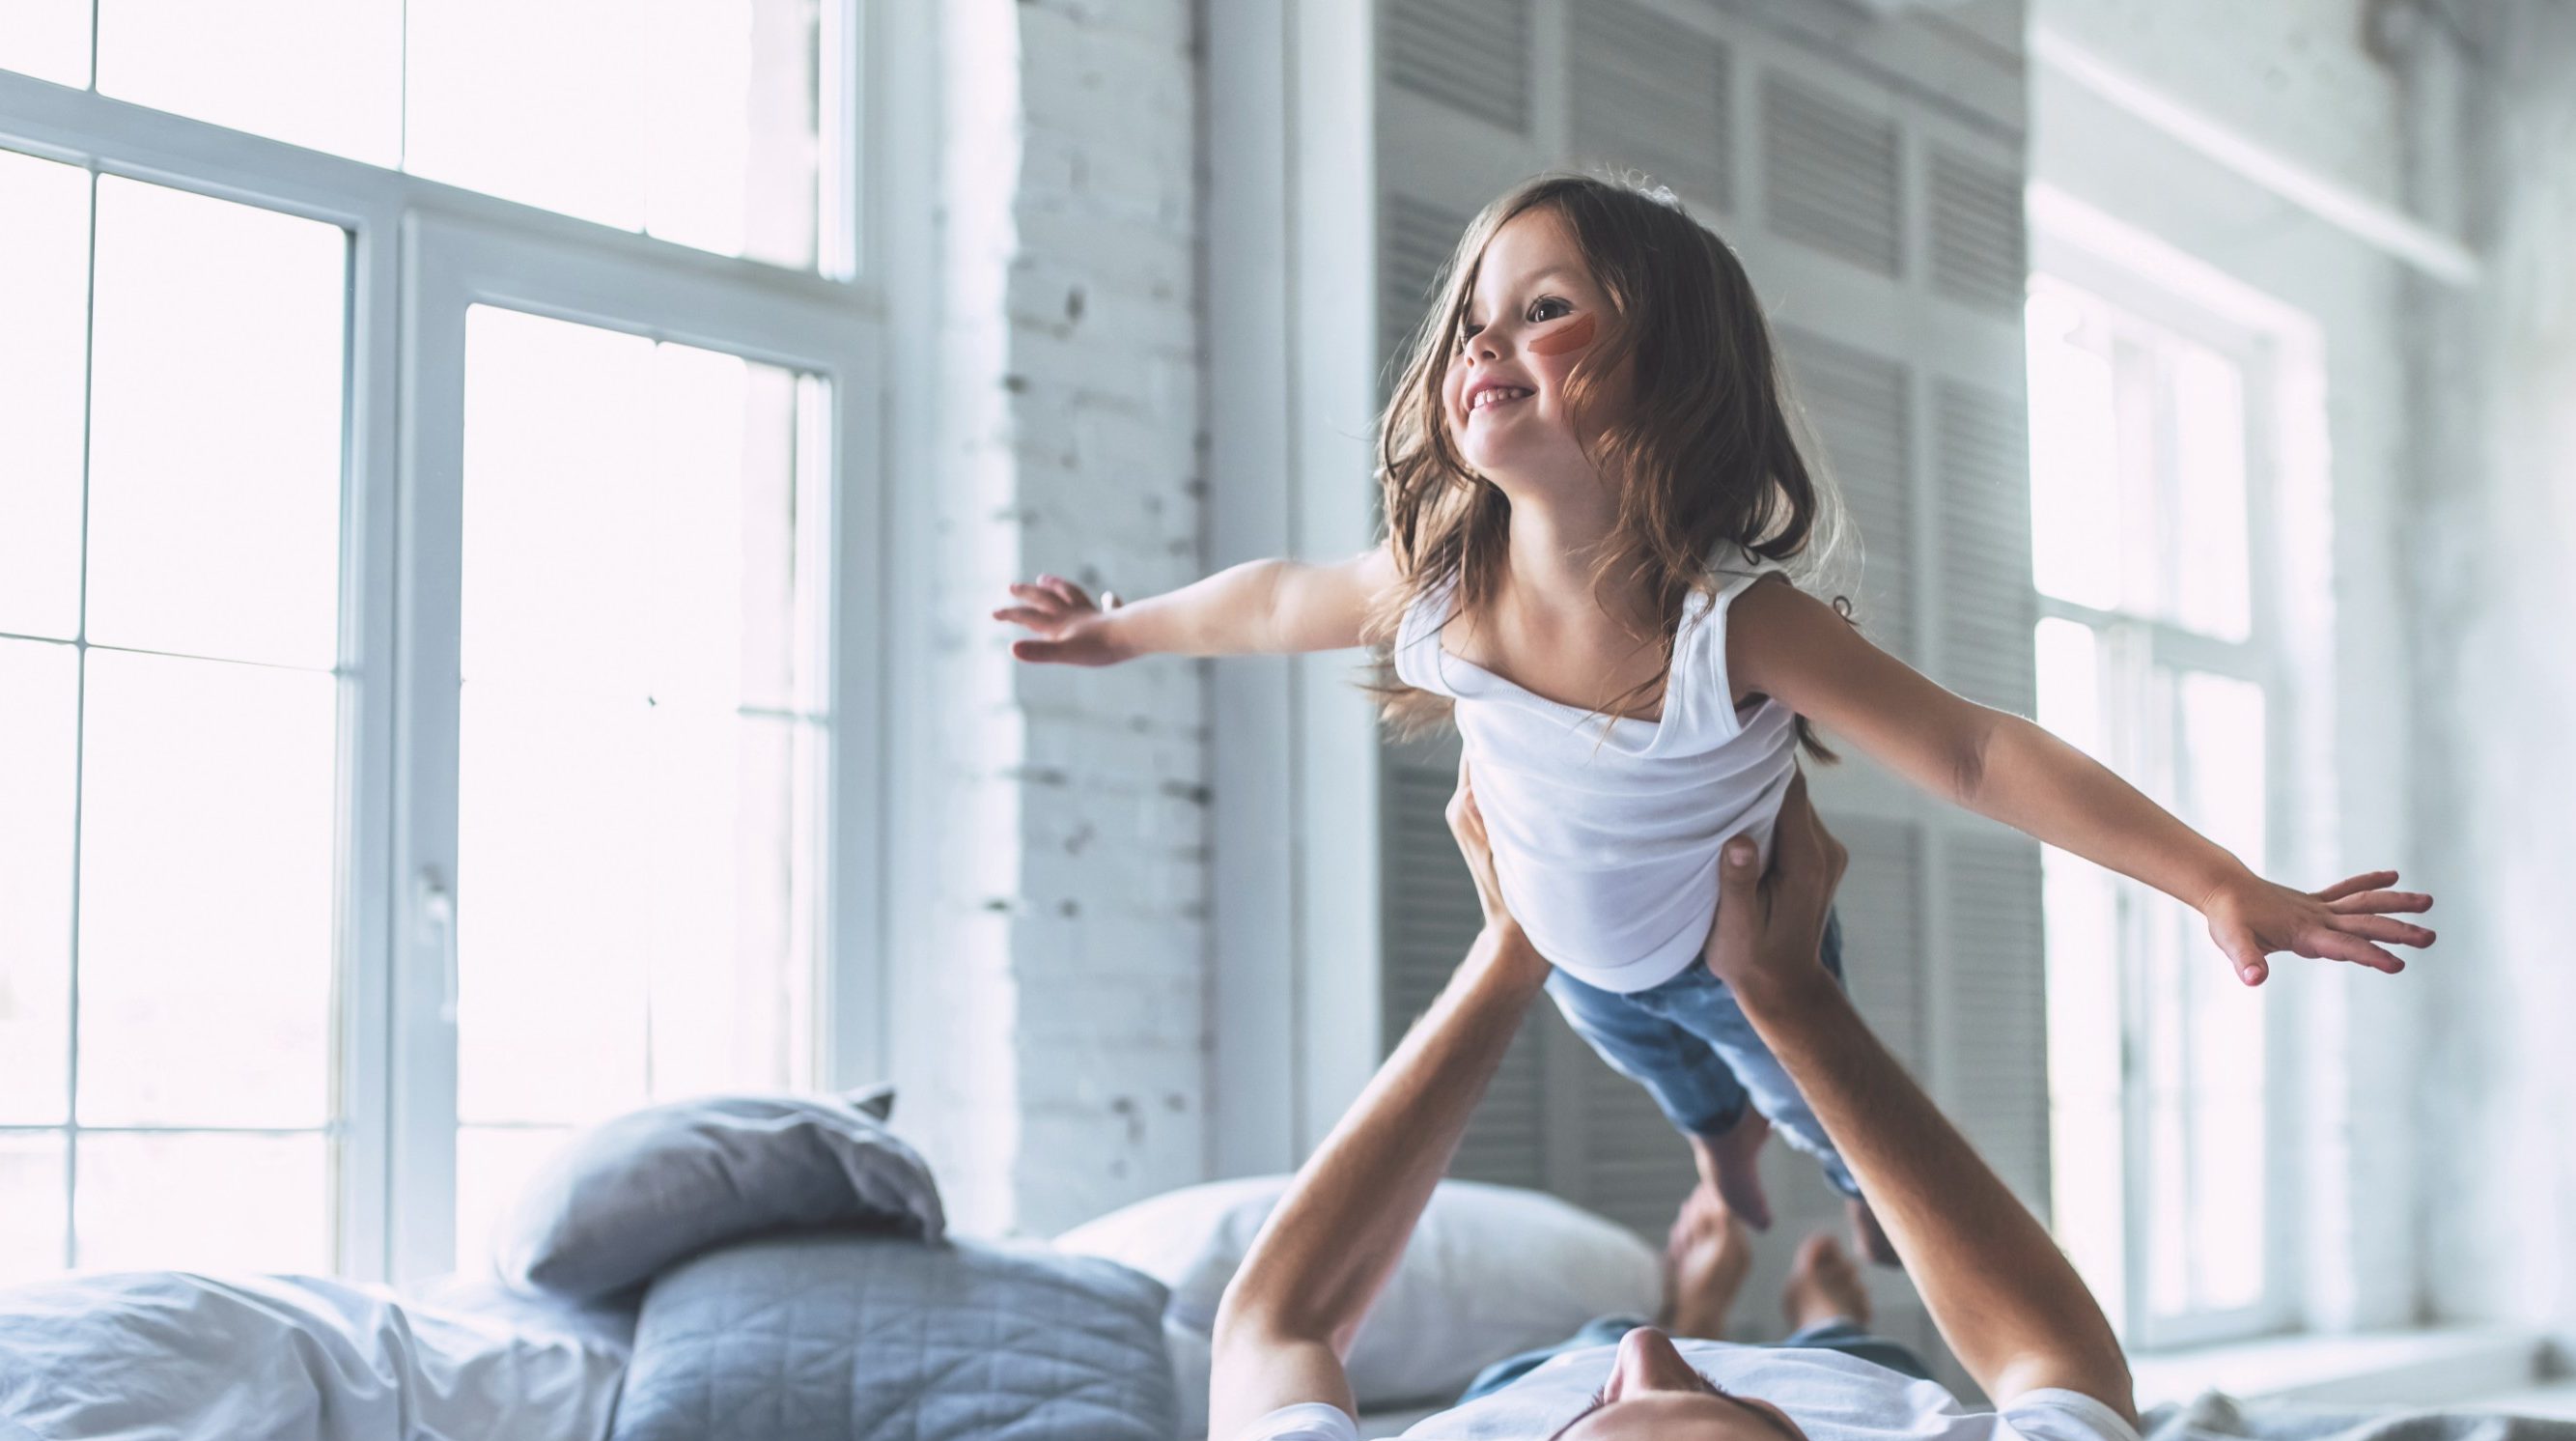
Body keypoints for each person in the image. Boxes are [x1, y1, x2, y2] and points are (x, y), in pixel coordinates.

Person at [995, 169, 2432, 1254]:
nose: (1485, 342)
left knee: (1821, 1112)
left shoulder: (1735, 623)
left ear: (1667, 373)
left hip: (1740, 945)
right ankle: (1716, 1158)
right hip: (1574, 960)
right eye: (1474, 320)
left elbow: (1979, 750)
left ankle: (1846, 1194)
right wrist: (1117, 633)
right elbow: (1269, 601)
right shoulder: (1440, 585)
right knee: (1661, 1068)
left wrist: (2216, 882)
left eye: (1544, 309)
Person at [1152, 770, 2210, 1441]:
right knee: (1857, 1344)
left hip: (1526, 1390)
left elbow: (1279, 1323)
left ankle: (1683, 1317)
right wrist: (1790, 996)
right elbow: (2046, 1353)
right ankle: (1812, 1324)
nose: (1650, 1356)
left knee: (1591, 1345)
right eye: (1739, 1418)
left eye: (1600, 1425)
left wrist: (1509, 954)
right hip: (1864, 1397)